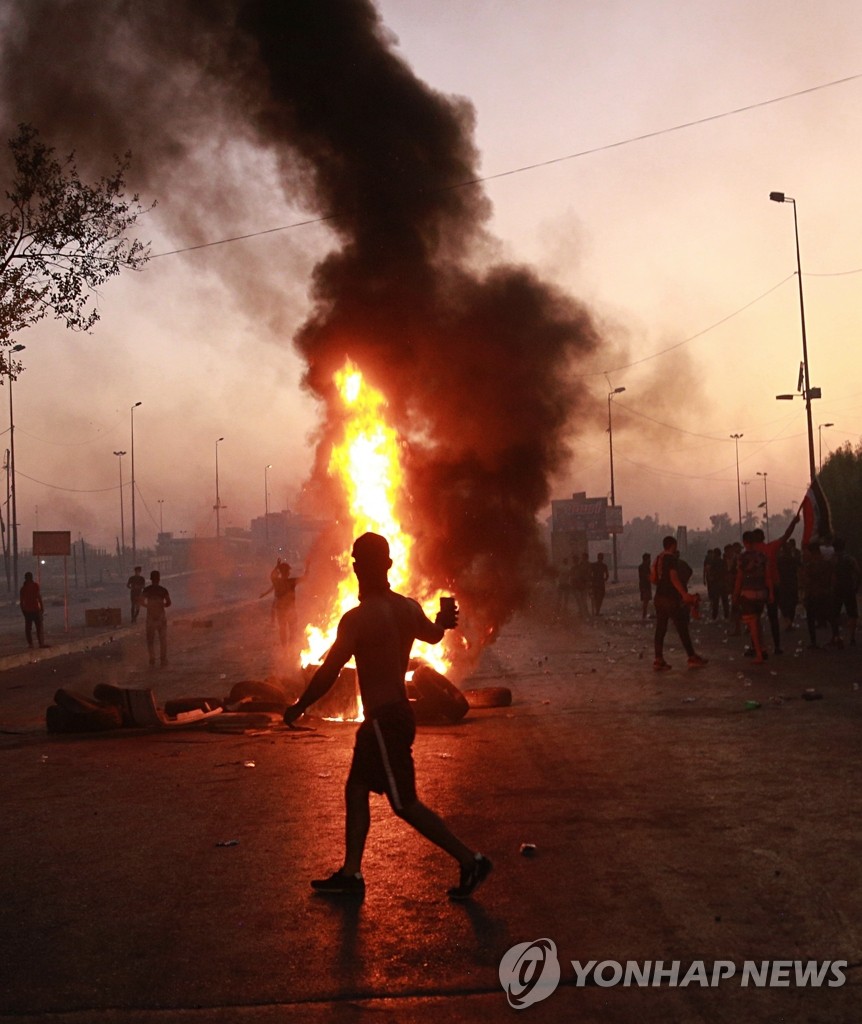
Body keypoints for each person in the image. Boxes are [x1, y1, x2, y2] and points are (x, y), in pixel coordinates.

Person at [283, 532, 491, 901]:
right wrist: (444, 620)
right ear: (390, 566)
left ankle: (470, 859)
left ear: (356, 568)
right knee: (357, 788)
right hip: (390, 719)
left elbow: (330, 671)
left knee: (404, 803)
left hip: (384, 721)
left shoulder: (357, 619)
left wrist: (300, 705)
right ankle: (351, 873)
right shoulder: (407, 608)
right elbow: (432, 636)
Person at [651, 536, 707, 671]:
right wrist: (684, 594)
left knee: (661, 628)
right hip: (671, 597)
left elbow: (653, 578)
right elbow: (674, 577)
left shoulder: (658, 558)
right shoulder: (671, 558)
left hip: (659, 596)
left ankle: (658, 659)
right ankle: (691, 656)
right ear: (673, 545)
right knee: (682, 627)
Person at [733, 531, 773, 665]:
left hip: (748, 593)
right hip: (761, 593)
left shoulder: (742, 558)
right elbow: (768, 576)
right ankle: (763, 648)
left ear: (744, 542)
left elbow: (739, 578)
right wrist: (771, 593)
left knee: (752, 624)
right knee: (757, 622)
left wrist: (735, 595)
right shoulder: (763, 556)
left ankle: (759, 653)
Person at [260, 558, 307, 647]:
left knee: (283, 629)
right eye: (288, 571)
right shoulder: (291, 581)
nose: (289, 572)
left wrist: (277, 566)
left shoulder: (277, 581)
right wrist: (308, 566)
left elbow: (272, 575)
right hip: (290, 610)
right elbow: (305, 578)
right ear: (287, 572)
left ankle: (285, 649)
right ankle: (290, 647)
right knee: (292, 629)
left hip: (281, 610)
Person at [831, 537, 860, 647]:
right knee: (852, 613)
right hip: (849, 588)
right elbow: (857, 572)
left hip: (837, 589)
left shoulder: (833, 559)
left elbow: (832, 576)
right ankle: (852, 637)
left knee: (834, 613)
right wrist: (856, 585)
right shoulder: (850, 559)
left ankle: (836, 636)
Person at [140, 570, 171, 667]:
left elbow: (141, 601)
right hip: (161, 617)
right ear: (159, 579)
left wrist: (148, 606)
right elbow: (169, 602)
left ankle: (152, 659)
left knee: (150, 640)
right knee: (163, 640)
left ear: (151, 579)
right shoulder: (163, 590)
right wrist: (162, 605)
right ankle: (163, 659)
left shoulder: (147, 590)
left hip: (150, 618)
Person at [20, 571, 46, 649]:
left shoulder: (23, 589)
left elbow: (22, 601)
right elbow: (39, 597)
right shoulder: (35, 586)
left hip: (28, 611)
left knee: (28, 629)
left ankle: (31, 644)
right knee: (38, 627)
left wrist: (23, 611)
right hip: (35, 610)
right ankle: (40, 643)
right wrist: (41, 607)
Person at [638, 552, 652, 619]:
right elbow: (647, 576)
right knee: (646, 600)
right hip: (645, 585)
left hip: (643, 585)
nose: (650, 560)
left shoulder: (641, 567)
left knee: (645, 600)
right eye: (649, 559)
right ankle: (644, 614)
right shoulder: (645, 567)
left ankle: (644, 614)